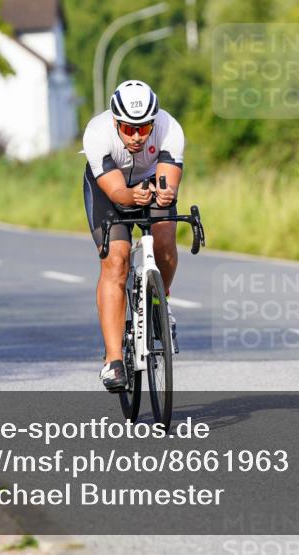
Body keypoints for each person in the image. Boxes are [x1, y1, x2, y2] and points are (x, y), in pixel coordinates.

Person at [81, 80, 185, 391]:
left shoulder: (170, 128)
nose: (138, 136)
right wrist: (131, 196)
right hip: (109, 192)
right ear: (115, 121)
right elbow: (116, 191)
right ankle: (113, 360)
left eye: (144, 128)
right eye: (129, 128)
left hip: (151, 182)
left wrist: (165, 196)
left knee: (165, 238)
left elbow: (168, 181)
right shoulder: (97, 133)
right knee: (117, 261)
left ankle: (159, 303)